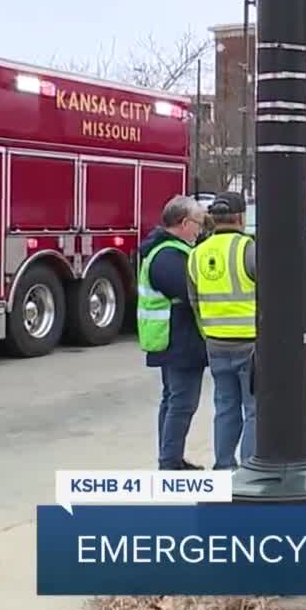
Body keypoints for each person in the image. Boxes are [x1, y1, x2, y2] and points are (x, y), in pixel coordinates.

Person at [187, 192, 258, 471]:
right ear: (241, 217)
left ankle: (224, 467)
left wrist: (208, 333)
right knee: (254, 410)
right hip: (250, 343)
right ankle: (251, 469)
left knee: (225, 407)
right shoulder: (248, 249)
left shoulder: (196, 253)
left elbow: (195, 302)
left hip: (215, 343)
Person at [137, 195, 208, 471]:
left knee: (173, 400)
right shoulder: (168, 256)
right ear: (184, 222)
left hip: (173, 337)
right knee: (181, 402)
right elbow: (189, 292)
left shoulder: (167, 250)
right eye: (199, 224)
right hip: (178, 340)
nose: (200, 231)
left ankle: (171, 458)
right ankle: (169, 463)